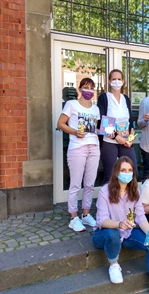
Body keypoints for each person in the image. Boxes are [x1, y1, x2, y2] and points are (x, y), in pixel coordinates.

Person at [92, 156, 149, 294]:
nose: (127, 173)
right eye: (123, 170)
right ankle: (114, 264)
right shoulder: (104, 191)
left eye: (130, 170)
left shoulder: (135, 191)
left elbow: (140, 217)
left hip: (128, 234)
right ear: (116, 172)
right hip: (104, 234)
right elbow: (102, 220)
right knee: (113, 232)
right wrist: (119, 224)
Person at [57, 78, 100, 232]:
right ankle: (73, 217)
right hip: (77, 147)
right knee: (76, 183)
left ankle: (86, 214)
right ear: (80, 89)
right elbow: (60, 123)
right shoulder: (71, 105)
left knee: (89, 183)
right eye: (85, 87)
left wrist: (109, 130)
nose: (88, 90)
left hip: (94, 147)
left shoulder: (95, 109)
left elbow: (95, 129)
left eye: (91, 88)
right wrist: (75, 132)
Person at [97, 69, 138, 184]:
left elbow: (130, 120)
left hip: (125, 141)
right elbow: (101, 121)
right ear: (109, 81)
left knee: (132, 171)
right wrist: (116, 137)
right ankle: (108, 200)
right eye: (114, 79)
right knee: (110, 174)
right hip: (109, 141)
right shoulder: (104, 98)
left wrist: (130, 137)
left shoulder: (126, 99)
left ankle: (128, 200)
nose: (116, 82)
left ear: (123, 81)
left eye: (119, 79)